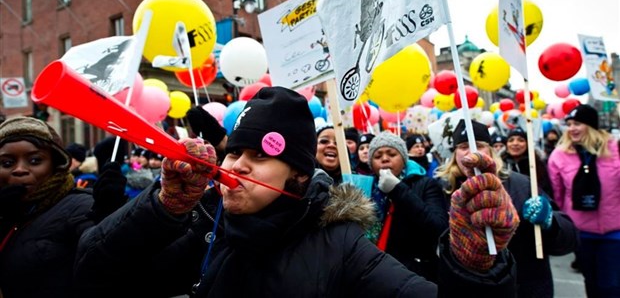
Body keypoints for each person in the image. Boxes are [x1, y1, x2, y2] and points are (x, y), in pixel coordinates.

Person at [75, 87, 520, 297]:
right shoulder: (206, 224)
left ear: (299, 176)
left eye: (259, 156)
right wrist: (162, 208)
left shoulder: (341, 245)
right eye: (234, 152)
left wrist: (476, 264)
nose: (237, 165)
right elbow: (94, 274)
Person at [437, 119, 579, 298]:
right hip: (467, 287)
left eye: (479, 146)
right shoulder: (443, 190)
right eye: (464, 146)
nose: (471, 152)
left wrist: (550, 221)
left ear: (491, 151)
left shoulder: (522, 185)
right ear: (455, 153)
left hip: (524, 285)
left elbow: (569, 238)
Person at [0, 116, 126, 297]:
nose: (19, 169)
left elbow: (110, 263)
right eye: (7, 163)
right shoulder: (7, 211)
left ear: (56, 165)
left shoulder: (80, 207)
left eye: (35, 161)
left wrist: (109, 218)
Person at [547, 104, 620, 297]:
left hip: (614, 232)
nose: (571, 128)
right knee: (592, 283)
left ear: (591, 125)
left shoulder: (615, 149)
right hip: (581, 232)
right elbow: (558, 194)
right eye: (569, 124)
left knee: (611, 285)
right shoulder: (559, 156)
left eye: (577, 123)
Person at [367, 131, 448, 282]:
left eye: (391, 154)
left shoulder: (426, 185)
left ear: (404, 159)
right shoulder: (366, 188)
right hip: (376, 274)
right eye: (377, 156)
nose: (384, 159)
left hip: (415, 274)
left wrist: (397, 190)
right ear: (371, 164)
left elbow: (439, 227)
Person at [501, 127, 554, 199]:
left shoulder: (537, 165)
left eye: (521, 140)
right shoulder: (500, 165)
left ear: (527, 144)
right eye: (511, 140)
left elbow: (546, 189)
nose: (515, 143)